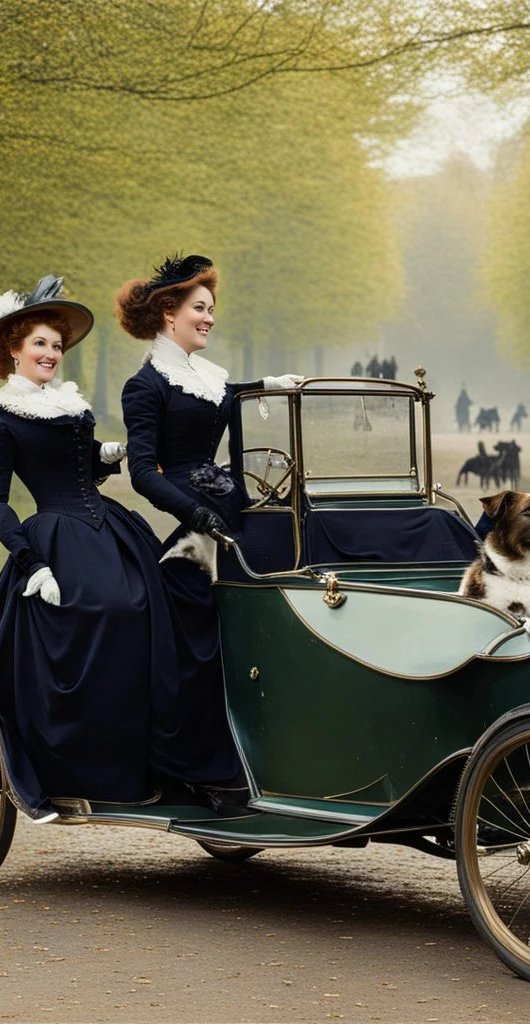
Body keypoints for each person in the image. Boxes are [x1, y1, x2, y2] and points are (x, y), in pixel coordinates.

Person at [0, 275, 176, 821]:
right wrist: (30, 561)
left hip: (107, 529)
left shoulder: (72, 406)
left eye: (57, 345)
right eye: (40, 343)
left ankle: (146, 768)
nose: (52, 353)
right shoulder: (0, 421)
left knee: (150, 610)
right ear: (13, 349)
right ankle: (69, 773)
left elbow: (84, 477)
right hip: (53, 539)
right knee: (102, 614)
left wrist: (103, 457)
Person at [118, 254, 301, 804]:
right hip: (198, 522)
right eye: (200, 309)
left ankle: (278, 752)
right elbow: (143, 471)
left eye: (212, 309)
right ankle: (197, 766)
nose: (210, 319)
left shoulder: (207, 375)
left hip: (231, 505)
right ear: (168, 313)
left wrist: (268, 383)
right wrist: (192, 514)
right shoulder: (144, 386)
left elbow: (224, 395)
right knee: (201, 646)